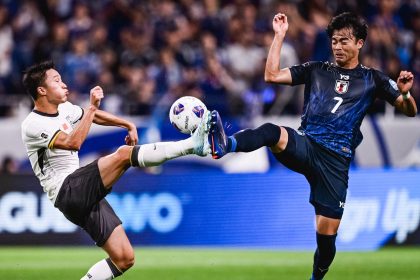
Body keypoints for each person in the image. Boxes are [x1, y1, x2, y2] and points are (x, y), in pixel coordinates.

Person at [209, 12, 417, 280]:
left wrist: (405, 93)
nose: (338, 47)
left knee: (326, 237)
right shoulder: (316, 69)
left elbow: (408, 110)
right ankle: (227, 144)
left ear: (360, 44)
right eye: (334, 41)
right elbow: (271, 75)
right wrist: (279, 36)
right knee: (273, 131)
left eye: (344, 41)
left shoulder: (373, 79)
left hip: (336, 162)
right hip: (307, 145)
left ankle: (317, 276)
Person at [20, 60, 212, 280]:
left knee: (124, 258)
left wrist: (126, 124)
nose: (64, 84)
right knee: (123, 155)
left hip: (82, 195)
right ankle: (192, 145)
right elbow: (73, 143)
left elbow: (89, 116)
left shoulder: (64, 109)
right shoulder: (32, 124)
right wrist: (92, 107)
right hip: (67, 190)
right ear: (41, 90)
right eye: (56, 81)